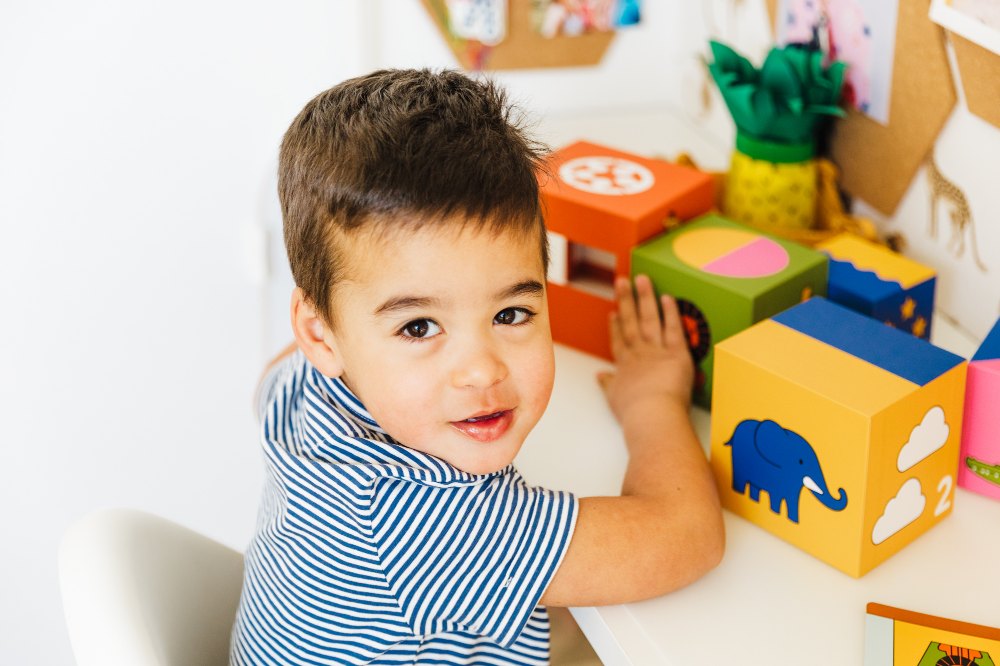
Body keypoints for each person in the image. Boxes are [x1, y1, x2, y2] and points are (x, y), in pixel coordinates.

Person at [230, 68, 724, 666]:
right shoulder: (428, 525)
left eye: (511, 313)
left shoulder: (304, 380)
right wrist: (652, 400)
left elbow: (267, 384)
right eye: (419, 327)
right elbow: (688, 536)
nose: (481, 371)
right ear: (320, 333)